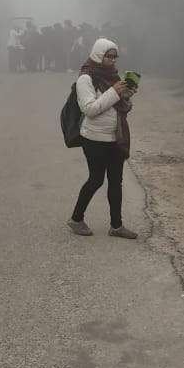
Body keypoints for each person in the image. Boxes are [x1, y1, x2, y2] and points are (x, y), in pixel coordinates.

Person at [67, 38, 138, 240]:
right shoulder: (85, 79)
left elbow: (117, 108)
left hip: (116, 137)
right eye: (108, 55)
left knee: (116, 181)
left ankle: (116, 226)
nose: (112, 60)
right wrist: (115, 92)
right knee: (96, 180)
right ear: (98, 54)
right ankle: (76, 219)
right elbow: (89, 109)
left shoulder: (113, 76)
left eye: (115, 56)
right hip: (94, 138)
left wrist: (126, 96)